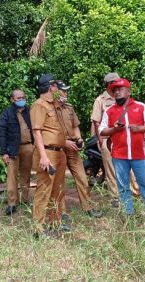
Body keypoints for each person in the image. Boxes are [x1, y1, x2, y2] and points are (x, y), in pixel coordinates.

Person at [99, 78, 145, 221]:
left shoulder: (140, 107)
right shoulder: (109, 111)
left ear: (129, 91)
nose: (117, 92)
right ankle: (128, 214)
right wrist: (115, 129)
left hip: (138, 154)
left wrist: (139, 128)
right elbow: (101, 131)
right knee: (122, 186)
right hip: (119, 155)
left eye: (120, 89)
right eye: (114, 90)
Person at [54, 80, 102, 220]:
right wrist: (64, 142)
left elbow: (75, 126)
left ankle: (88, 207)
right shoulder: (49, 108)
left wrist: (79, 138)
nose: (66, 93)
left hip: (73, 148)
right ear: (56, 91)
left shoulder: (69, 108)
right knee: (60, 181)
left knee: (82, 178)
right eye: (63, 90)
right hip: (59, 149)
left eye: (66, 90)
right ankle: (62, 212)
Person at [90, 72, 139, 207]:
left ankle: (135, 192)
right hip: (107, 138)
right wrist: (101, 141)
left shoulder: (125, 98)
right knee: (111, 168)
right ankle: (116, 196)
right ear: (108, 85)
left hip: (124, 138)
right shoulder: (100, 100)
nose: (116, 86)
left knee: (130, 165)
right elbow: (96, 121)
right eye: (113, 83)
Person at [30, 74, 69, 237]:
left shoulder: (54, 105)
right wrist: (43, 156)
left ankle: (56, 222)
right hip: (48, 153)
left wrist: (62, 99)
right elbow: (37, 132)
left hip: (59, 153)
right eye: (55, 85)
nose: (57, 88)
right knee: (44, 190)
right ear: (49, 87)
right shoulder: (39, 105)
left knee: (58, 190)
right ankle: (38, 228)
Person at [0, 89, 34, 216]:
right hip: (12, 148)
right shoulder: (7, 113)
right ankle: (12, 203)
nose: (22, 100)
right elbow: (1, 133)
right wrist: (4, 152)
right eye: (18, 98)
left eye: (23, 97)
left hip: (28, 147)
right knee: (12, 176)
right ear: (12, 99)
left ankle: (25, 200)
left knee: (26, 175)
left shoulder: (30, 111)